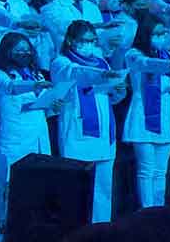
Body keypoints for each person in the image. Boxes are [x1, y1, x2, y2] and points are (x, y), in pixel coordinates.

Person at [51, 20, 127, 222]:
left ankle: (101, 230)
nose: (89, 44)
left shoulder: (102, 61)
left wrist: (118, 91)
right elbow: (77, 73)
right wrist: (103, 75)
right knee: (77, 189)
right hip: (77, 132)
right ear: (70, 40)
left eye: (93, 40)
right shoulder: (62, 63)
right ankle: (77, 233)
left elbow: (110, 97)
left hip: (104, 132)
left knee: (104, 189)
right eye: (84, 40)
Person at [124, 14, 170, 208]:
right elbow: (145, 64)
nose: (162, 36)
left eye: (163, 32)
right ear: (146, 34)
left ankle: (158, 209)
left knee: (161, 171)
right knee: (146, 169)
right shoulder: (134, 54)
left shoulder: (168, 54)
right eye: (157, 33)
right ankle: (147, 211)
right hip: (143, 116)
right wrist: (169, 66)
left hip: (167, 117)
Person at [0, 32, 56, 170]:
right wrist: (34, 86)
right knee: (14, 185)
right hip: (15, 140)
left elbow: (43, 105)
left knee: (40, 183)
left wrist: (54, 105)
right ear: (7, 52)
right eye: (19, 50)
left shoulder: (37, 74)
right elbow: (10, 87)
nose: (24, 53)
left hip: (39, 138)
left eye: (27, 50)